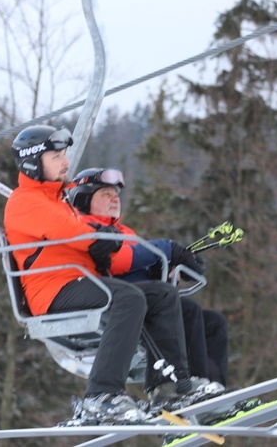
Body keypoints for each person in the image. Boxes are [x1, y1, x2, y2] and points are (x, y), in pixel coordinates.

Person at [3, 125, 212, 424]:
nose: (65, 162)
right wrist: (103, 234)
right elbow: (74, 233)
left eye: (64, 155)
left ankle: (167, 387)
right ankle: (101, 396)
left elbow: (83, 235)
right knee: (127, 298)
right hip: (52, 290)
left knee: (162, 294)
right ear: (32, 161)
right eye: (56, 156)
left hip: (80, 282)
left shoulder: (56, 200)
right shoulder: (25, 201)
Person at [66, 167, 230, 390]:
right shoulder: (85, 228)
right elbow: (116, 261)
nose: (115, 199)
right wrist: (167, 249)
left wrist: (159, 270)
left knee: (212, 322)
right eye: (106, 194)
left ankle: (212, 386)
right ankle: (183, 387)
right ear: (83, 198)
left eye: (116, 195)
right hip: (106, 299)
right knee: (187, 309)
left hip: (131, 294)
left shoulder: (122, 232)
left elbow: (130, 268)